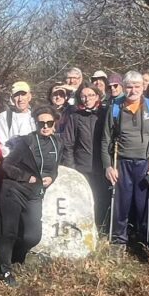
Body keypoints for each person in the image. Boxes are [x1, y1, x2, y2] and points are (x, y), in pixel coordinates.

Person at [101, 71, 149, 251]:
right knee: (121, 204)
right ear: (124, 87)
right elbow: (105, 140)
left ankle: (142, 241)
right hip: (121, 163)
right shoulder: (115, 108)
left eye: (137, 86)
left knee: (144, 204)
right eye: (129, 86)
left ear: (143, 87)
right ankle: (118, 241)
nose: (133, 90)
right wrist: (107, 166)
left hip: (146, 163)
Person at [0, 106, 60, 284]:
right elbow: (6, 165)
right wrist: (26, 177)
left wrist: (52, 178)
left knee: (33, 235)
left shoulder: (58, 143)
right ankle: (5, 270)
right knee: (9, 231)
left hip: (34, 194)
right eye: (41, 123)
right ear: (35, 123)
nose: (45, 126)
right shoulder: (26, 142)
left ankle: (15, 257)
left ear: (54, 124)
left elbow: (54, 168)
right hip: (14, 189)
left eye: (49, 123)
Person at [60, 83, 108, 228]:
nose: (87, 99)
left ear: (97, 96)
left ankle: (99, 228)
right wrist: (71, 168)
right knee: (84, 200)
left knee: (101, 199)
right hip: (82, 167)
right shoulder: (75, 116)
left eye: (91, 95)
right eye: (83, 96)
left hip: (103, 167)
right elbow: (67, 144)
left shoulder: (105, 113)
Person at [0, 81, 35, 152]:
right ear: (12, 98)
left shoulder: (36, 116)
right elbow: (3, 145)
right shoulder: (4, 116)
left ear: (29, 97)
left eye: (23, 94)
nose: (20, 99)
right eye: (17, 95)